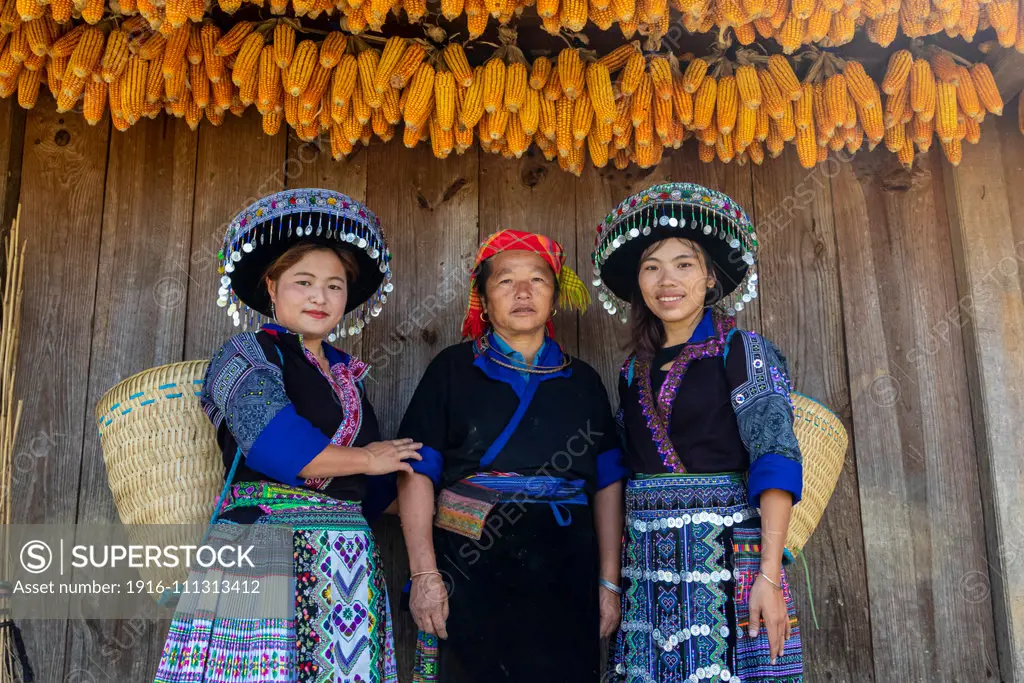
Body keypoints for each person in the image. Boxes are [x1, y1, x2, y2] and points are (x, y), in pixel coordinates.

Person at [154, 189, 417, 683]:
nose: (320, 297)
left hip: (346, 565)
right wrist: (366, 460)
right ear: (271, 287)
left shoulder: (348, 376)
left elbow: (377, 491)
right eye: (304, 282)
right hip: (264, 548)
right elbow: (278, 446)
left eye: (335, 286)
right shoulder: (245, 357)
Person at [593, 183, 804, 683]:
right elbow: (616, 468)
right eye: (652, 266)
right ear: (639, 284)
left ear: (710, 278)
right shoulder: (631, 371)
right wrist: (611, 580)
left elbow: (774, 458)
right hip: (647, 570)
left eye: (684, 264)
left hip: (731, 562)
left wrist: (768, 577)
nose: (667, 279)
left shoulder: (742, 351)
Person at [397, 229, 629, 683]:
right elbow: (416, 472)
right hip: (470, 563)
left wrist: (607, 583)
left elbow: (607, 484)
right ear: (482, 300)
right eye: (505, 281)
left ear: (555, 296)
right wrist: (425, 574)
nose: (523, 292)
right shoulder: (452, 369)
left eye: (538, 281)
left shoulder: (581, 381)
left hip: (566, 565)